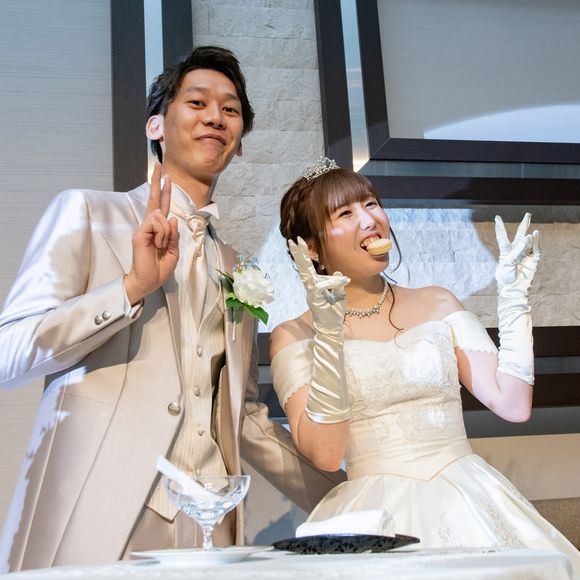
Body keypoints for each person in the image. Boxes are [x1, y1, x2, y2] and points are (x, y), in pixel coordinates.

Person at [0, 48, 343, 573]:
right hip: (97, 509)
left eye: (230, 110)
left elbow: (244, 420)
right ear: (155, 125)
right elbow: (10, 353)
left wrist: (345, 496)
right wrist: (130, 288)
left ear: (240, 143)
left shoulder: (236, 267)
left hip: (211, 524)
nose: (215, 117)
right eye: (197, 103)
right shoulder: (88, 213)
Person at [270, 157, 580, 575]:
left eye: (371, 204)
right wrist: (327, 334)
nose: (370, 220)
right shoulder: (294, 335)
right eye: (345, 213)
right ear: (311, 247)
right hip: (374, 515)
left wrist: (513, 298)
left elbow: (513, 404)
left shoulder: (438, 301)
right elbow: (326, 455)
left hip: (469, 498)